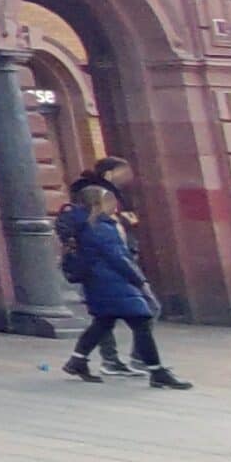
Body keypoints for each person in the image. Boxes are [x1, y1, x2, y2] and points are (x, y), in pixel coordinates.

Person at [62, 184, 190, 389]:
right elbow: (119, 258)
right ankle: (157, 371)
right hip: (114, 283)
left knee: (103, 322)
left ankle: (77, 361)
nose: (113, 205)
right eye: (108, 200)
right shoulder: (101, 227)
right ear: (97, 203)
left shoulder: (87, 225)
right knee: (141, 322)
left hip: (100, 283)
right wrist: (140, 281)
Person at [57, 157, 138, 374]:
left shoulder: (104, 197)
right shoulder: (96, 200)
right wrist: (137, 278)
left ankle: (84, 360)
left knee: (105, 318)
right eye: (123, 171)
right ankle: (141, 361)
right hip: (106, 271)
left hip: (106, 269)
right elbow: (106, 245)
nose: (128, 176)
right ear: (110, 173)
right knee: (142, 313)